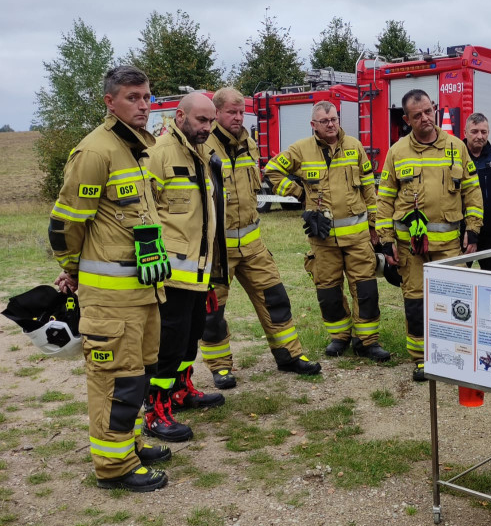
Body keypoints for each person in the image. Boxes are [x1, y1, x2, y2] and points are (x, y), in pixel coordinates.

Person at [47, 65, 172, 492]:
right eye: (133, 98)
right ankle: (113, 465)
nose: (143, 105)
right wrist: (71, 270)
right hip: (110, 298)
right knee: (115, 377)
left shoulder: (135, 147)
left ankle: (128, 443)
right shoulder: (95, 152)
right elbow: (64, 226)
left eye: (147, 97)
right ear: (109, 102)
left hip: (143, 291)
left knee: (138, 372)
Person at [199, 87, 321, 388]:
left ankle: (289, 355)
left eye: (241, 112)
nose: (238, 117)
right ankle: (220, 367)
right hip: (216, 248)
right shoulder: (202, 146)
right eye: (232, 112)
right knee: (213, 311)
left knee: (276, 298)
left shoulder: (249, 144)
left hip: (252, 243)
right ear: (217, 113)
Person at [265, 102, 391, 362]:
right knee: (328, 291)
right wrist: (299, 193)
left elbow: (369, 189)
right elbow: (272, 170)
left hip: (357, 237)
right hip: (322, 240)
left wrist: (374, 224)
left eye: (334, 119)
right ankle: (340, 337)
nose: (331, 124)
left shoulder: (355, 147)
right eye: (325, 121)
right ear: (314, 125)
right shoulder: (300, 150)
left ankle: (367, 341)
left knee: (365, 289)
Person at [376, 90, 484, 381]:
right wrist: (386, 241)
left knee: (454, 299)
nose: (425, 118)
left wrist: (472, 231)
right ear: (406, 119)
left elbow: (472, 192)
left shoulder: (456, 146)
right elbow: (384, 199)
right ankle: (422, 358)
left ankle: (455, 355)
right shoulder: (397, 152)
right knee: (415, 300)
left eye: (428, 111)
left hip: (449, 245)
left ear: (435, 109)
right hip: (410, 247)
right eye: (417, 115)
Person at [145, 92, 229, 443]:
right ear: (179, 116)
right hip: (171, 277)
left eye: (211, 121)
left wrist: (212, 272)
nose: (207, 128)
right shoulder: (157, 155)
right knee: (169, 344)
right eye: (201, 121)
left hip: (200, 271)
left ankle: (181, 390)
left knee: (191, 337)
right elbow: (144, 214)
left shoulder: (203, 153)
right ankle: (155, 408)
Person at [463, 112, 491, 270]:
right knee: (458, 277)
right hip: (463, 232)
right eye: (474, 131)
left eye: (484, 132)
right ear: (465, 133)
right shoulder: (456, 158)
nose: (479, 136)